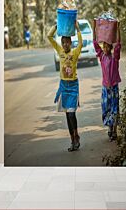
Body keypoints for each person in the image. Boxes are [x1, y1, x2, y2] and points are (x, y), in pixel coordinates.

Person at [47, 21, 83, 152]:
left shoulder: (75, 53)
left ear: (71, 43)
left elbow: (81, 43)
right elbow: (49, 37)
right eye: (63, 42)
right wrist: (56, 26)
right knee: (67, 115)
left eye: (67, 42)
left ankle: (76, 135)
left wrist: (78, 29)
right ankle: (72, 139)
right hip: (64, 87)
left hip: (73, 87)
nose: (65, 44)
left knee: (72, 114)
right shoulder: (60, 51)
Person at [93, 20, 121, 141]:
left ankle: (114, 130)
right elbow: (95, 43)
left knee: (115, 108)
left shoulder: (115, 57)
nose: (105, 48)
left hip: (113, 88)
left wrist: (118, 28)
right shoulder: (102, 56)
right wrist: (95, 27)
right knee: (107, 108)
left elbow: (119, 43)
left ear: (110, 47)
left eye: (107, 46)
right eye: (104, 46)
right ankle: (110, 128)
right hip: (105, 88)